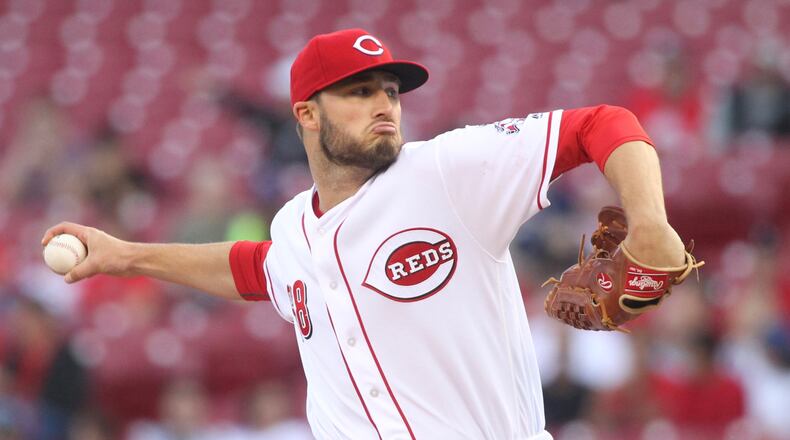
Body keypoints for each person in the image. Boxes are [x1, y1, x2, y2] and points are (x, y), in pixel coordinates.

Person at [42, 28, 688, 439]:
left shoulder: (444, 172)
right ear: (306, 114)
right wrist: (127, 255)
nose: (385, 104)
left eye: (391, 91)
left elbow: (601, 124)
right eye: (359, 91)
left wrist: (650, 220)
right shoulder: (294, 225)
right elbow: (259, 269)